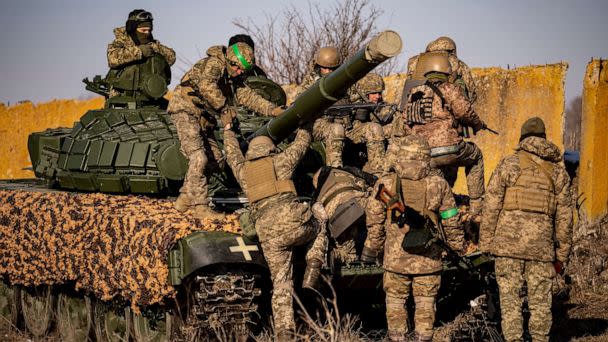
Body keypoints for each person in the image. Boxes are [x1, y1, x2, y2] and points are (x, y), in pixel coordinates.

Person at [221, 112, 328, 340]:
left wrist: (228, 130)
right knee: (320, 216)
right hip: (294, 223)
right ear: (271, 149)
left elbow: (231, 155)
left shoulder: (243, 172)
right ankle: (314, 263)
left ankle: (284, 332)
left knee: (281, 283)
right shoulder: (282, 161)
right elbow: (301, 144)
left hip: (268, 234)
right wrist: (305, 122)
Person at [479, 117, 573, 342]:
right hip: (541, 250)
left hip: (506, 246)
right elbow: (565, 218)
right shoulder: (558, 173)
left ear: (522, 139)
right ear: (544, 138)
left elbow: (491, 205)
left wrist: (486, 243)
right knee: (540, 302)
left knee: (510, 301)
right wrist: (562, 254)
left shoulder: (508, 164)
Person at [168, 42, 283, 219]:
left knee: (216, 160)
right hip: (185, 109)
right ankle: (200, 207)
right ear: (230, 61)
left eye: (243, 70)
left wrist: (273, 110)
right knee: (199, 157)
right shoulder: (215, 64)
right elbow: (207, 86)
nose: (240, 73)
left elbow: (248, 96)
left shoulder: (233, 76)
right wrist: (224, 109)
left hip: (204, 117)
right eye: (238, 68)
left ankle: (185, 196)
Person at [364, 135, 461, 341]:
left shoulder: (386, 183)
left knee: (395, 303)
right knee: (426, 305)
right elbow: (450, 219)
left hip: (395, 260)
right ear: (426, 157)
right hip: (429, 260)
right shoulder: (439, 184)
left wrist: (373, 247)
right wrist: (456, 247)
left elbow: (374, 220)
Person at [399, 51, 487, 217]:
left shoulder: (414, 93)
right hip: (450, 147)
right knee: (476, 156)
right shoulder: (449, 88)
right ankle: (477, 207)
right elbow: (464, 112)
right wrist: (478, 124)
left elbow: (405, 123)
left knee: (440, 186)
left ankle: (442, 217)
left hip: (425, 155)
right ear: (446, 71)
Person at [295, 46, 346, 167]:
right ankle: (334, 169)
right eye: (325, 68)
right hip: (316, 123)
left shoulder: (344, 82)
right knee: (336, 129)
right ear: (318, 67)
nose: (328, 72)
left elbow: (355, 101)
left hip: (342, 121)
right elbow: (299, 104)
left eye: (332, 69)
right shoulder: (310, 81)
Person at [312, 166, 374, 263]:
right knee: (379, 223)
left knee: (349, 255)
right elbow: (370, 183)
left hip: (339, 219)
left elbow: (320, 216)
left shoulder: (318, 194)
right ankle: (376, 250)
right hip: (359, 203)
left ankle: (335, 254)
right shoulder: (347, 172)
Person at [406, 36, 477, 102]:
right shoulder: (457, 62)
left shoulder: (414, 61)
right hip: (447, 106)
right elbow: (471, 91)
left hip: (415, 104)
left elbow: (408, 83)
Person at [346, 73, 391, 175]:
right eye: (374, 93)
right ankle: (377, 170)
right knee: (374, 128)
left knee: (392, 129)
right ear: (365, 93)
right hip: (351, 134)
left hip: (369, 133)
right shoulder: (353, 101)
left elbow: (384, 116)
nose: (378, 96)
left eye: (379, 93)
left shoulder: (378, 102)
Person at [107, 9, 176, 69]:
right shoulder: (120, 42)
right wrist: (139, 51)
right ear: (133, 30)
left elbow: (171, 57)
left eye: (149, 30)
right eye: (143, 30)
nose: (147, 33)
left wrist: (154, 49)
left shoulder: (151, 43)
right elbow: (112, 60)